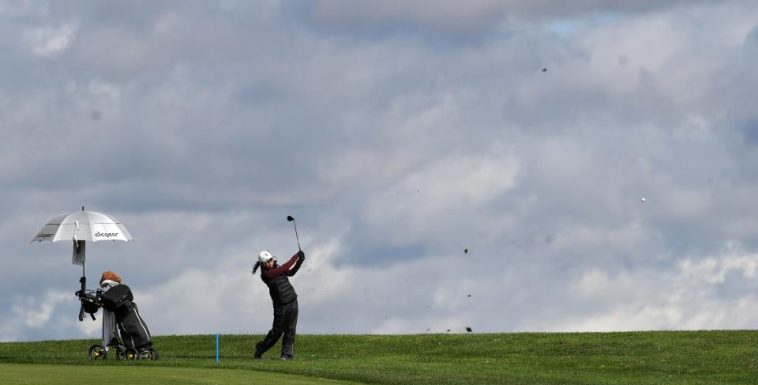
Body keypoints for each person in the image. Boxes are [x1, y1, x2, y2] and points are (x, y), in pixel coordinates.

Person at [251, 249, 305, 360]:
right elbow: (284, 269)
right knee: (277, 332)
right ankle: (260, 349)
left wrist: (299, 262)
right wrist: (295, 257)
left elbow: (290, 272)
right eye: (268, 261)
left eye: (271, 259)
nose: (271, 262)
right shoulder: (266, 275)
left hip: (292, 300)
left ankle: (286, 355)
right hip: (280, 305)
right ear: (263, 264)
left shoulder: (276, 267)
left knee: (290, 330)